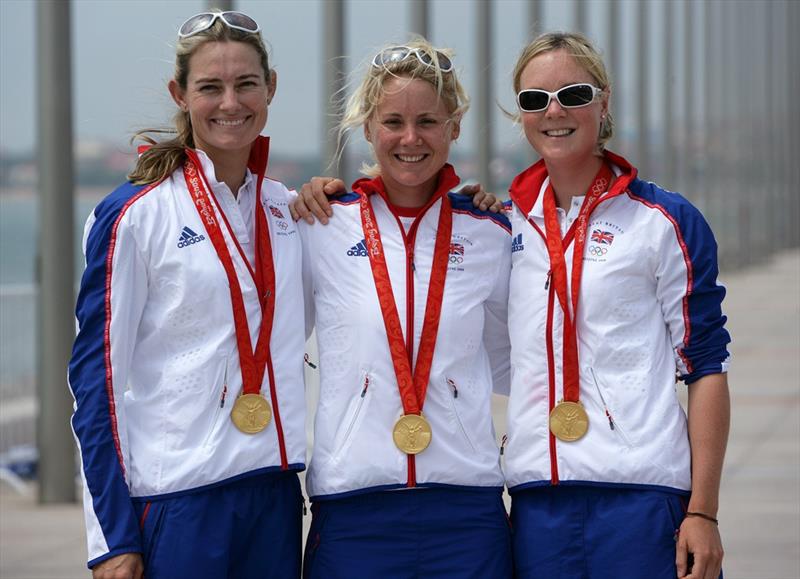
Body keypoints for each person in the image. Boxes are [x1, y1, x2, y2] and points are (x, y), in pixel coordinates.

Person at [67, 11, 306, 579]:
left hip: (272, 496)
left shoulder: (287, 209)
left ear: (271, 87)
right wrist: (111, 538)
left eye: (247, 83)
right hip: (178, 502)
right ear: (180, 94)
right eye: (210, 87)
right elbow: (94, 381)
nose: (231, 102)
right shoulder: (134, 213)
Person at [504, 32, 730, 579]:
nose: (554, 112)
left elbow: (705, 368)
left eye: (573, 93)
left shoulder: (665, 220)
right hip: (538, 505)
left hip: (644, 501)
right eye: (535, 100)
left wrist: (703, 510)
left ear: (603, 102)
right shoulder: (500, 225)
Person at [297, 39, 513, 578]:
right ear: (368, 127)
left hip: (466, 510)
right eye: (393, 121)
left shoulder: (491, 232)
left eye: (428, 121)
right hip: (354, 510)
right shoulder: (320, 225)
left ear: (455, 126)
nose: (410, 138)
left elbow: (522, 357)